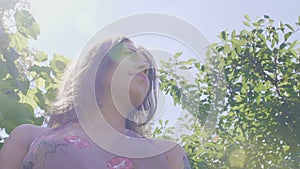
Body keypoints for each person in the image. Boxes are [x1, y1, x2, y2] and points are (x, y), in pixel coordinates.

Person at [0, 36, 192, 169]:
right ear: (97, 65)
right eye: (130, 55)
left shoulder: (169, 153)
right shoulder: (27, 136)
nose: (144, 67)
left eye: (148, 70)